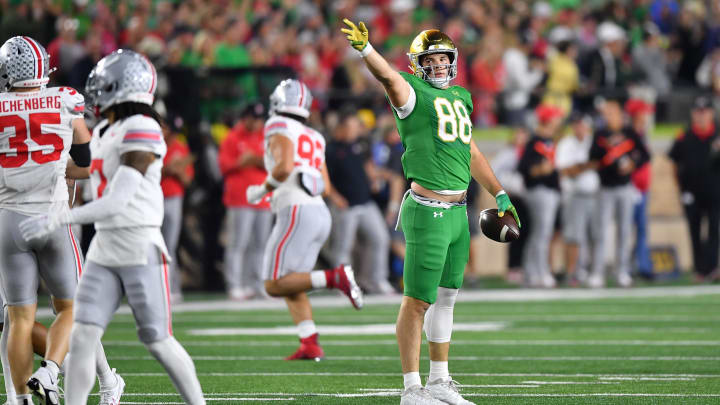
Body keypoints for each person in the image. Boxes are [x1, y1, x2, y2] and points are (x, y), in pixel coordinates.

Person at [342, 21, 520, 405]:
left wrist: (500, 193)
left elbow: (470, 152)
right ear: (418, 65)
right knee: (417, 300)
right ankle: (411, 388)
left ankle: (440, 381)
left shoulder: (461, 97)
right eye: (431, 59)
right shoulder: (413, 93)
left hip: (458, 212)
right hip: (428, 210)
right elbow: (389, 78)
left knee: (447, 298)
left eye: (443, 57)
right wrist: (366, 51)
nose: (438, 64)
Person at [18, 49, 206, 405]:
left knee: (157, 340)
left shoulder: (144, 127)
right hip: (104, 246)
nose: (96, 90)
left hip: (138, 244)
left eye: (104, 84)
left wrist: (60, 217)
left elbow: (119, 200)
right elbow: (85, 170)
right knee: (84, 335)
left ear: (124, 87)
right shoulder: (107, 128)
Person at [0, 36, 123, 405]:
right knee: (73, 309)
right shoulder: (64, 99)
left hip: (7, 220)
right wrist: (53, 166)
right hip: (53, 217)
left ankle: (19, 400)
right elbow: (84, 162)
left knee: (17, 320)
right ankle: (54, 372)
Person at [245, 79, 364, 361]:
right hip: (318, 212)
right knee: (293, 281)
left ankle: (335, 277)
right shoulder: (315, 136)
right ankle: (309, 341)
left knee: (274, 283)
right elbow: (323, 184)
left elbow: (284, 167)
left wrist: (261, 190)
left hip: (296, 211)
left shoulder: (277, 125)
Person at [325, 111, 395, 294]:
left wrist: (373, 180)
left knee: (380, 238)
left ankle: (375, 280)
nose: (356, 130)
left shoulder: (361, 144)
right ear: (341, 127)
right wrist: (335, 197)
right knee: (343, 247)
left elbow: (368, 167)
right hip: (345, 205)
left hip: (365, 202)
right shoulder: (331, 149)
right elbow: (324, 178)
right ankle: (342, 285)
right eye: (352, 127)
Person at [587, 98, 651, 288]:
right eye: (606, 113)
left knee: (624, 230)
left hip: (625, 187)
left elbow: (645, 155)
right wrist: (607, 151)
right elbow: (592, 157)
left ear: (619, 113)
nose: (608, 116)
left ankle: (622, 271)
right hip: (605, 187)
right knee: (601, 231)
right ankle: (597, 272)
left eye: (611, 112)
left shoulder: (629, 132)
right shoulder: (600, 134)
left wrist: (633, 164)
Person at [218, 103, 272, 300]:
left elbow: (274, 163)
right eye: (253, 118)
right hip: (240, 198)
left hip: (263, 198)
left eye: (259, 119)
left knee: (261, 244)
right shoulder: (232, 137)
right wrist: (241, 162)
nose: (257, 122)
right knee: (237, 243)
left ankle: (256, 284)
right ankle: (235, 284)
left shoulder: (265, 136)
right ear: (245, 118)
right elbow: (223, 166)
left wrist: (254, 160)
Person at [669, 96, 720, 282]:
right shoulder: (684, 136)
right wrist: (679, 189)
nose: (701, 116)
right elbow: (674, 162)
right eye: (698, 112)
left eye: (704, 112)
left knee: (715, 230)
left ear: (711, 113)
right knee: (694, 231)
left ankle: (712, 267)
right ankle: (699, 269)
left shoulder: (718, 134)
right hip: (692, 193)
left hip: (715, 191)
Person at [518, 104, 564, 288]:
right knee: (542, 234)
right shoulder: (535, 142)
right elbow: (523, 168)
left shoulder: (549, 141)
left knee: (539, 233)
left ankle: (531, 272)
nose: (559, 120)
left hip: (550, 191)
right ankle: (541, 272)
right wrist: (539, 169)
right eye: (555, 117)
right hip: (539, 191)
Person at [555, 112, 599, 286]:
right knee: (573, 236)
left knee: (596, 235)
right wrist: (586, 166)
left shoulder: (594, 142)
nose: (578, 127)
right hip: (575, 195)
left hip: (595, 194)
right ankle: (572, 272)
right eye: (576, 124)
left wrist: (579, 167)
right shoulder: (566, 144)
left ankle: (593, 272)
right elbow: (565, 170)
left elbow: (601, 165)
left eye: (581, 124)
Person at [160, 113, 194, 303]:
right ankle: (160, 287)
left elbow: (188, 180)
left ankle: (172, 288)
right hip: (154, 198)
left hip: (174, 198)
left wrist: (178, 170)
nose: (172, 136)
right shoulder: (155, 144)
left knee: (170, 245)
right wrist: (167, 169)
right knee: (155, 245)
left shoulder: (180, 148)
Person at [626, 99, 655, 278]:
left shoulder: (642, 134)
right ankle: (628, 266)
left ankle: (642, 265)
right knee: (627, 228)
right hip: (630, 188)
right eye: (643, 113)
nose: (645, 117)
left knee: (642, 228)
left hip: (643, 188)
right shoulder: (629, 136)